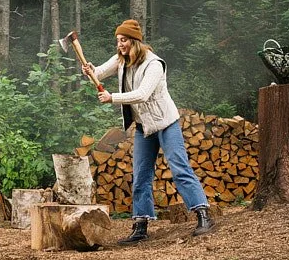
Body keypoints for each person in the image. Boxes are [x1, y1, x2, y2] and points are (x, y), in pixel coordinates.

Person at [82, 19, 214, 243]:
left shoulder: (154, 64)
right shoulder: (121, 59)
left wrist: (112, 98)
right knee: (141, 175)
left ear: (135, 41)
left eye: (124, 40)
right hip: (144, 127)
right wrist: (90, 70)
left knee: (179, 168)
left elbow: (142, 94)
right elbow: (99, 73)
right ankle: (140, 226)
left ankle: (203, 215)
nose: (120, 44)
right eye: (118, 40)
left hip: (166, 123)